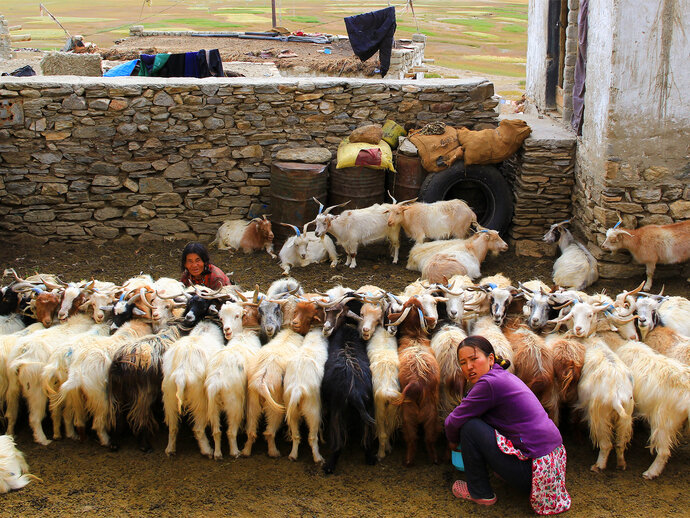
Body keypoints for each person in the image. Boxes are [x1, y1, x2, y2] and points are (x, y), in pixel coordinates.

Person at [444, 336, 570, 515]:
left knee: (470, 426)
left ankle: (479, 492)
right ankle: (507, 473)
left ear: (490, 359)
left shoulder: (488, 384)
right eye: (463, 362)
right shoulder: (503, 376)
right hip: (552, 468)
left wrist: (453, 442)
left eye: (474, 359)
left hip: (533, 472)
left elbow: (452, 421)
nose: (469, 367)